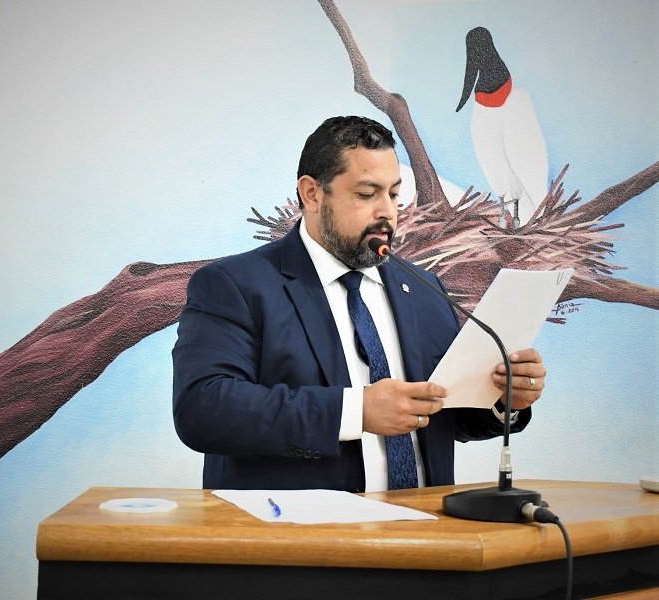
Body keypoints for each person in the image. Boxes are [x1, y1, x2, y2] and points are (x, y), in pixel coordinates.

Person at [172, 115, 546, 492]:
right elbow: (203, 409)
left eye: (394, 194)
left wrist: (502, 399)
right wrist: (357, 411)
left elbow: (449, 417)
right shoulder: (235, 285)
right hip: (298, 526)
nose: (387, 212)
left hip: (426, 525)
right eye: (367, 194)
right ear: (312, 194)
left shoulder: (424, 289)